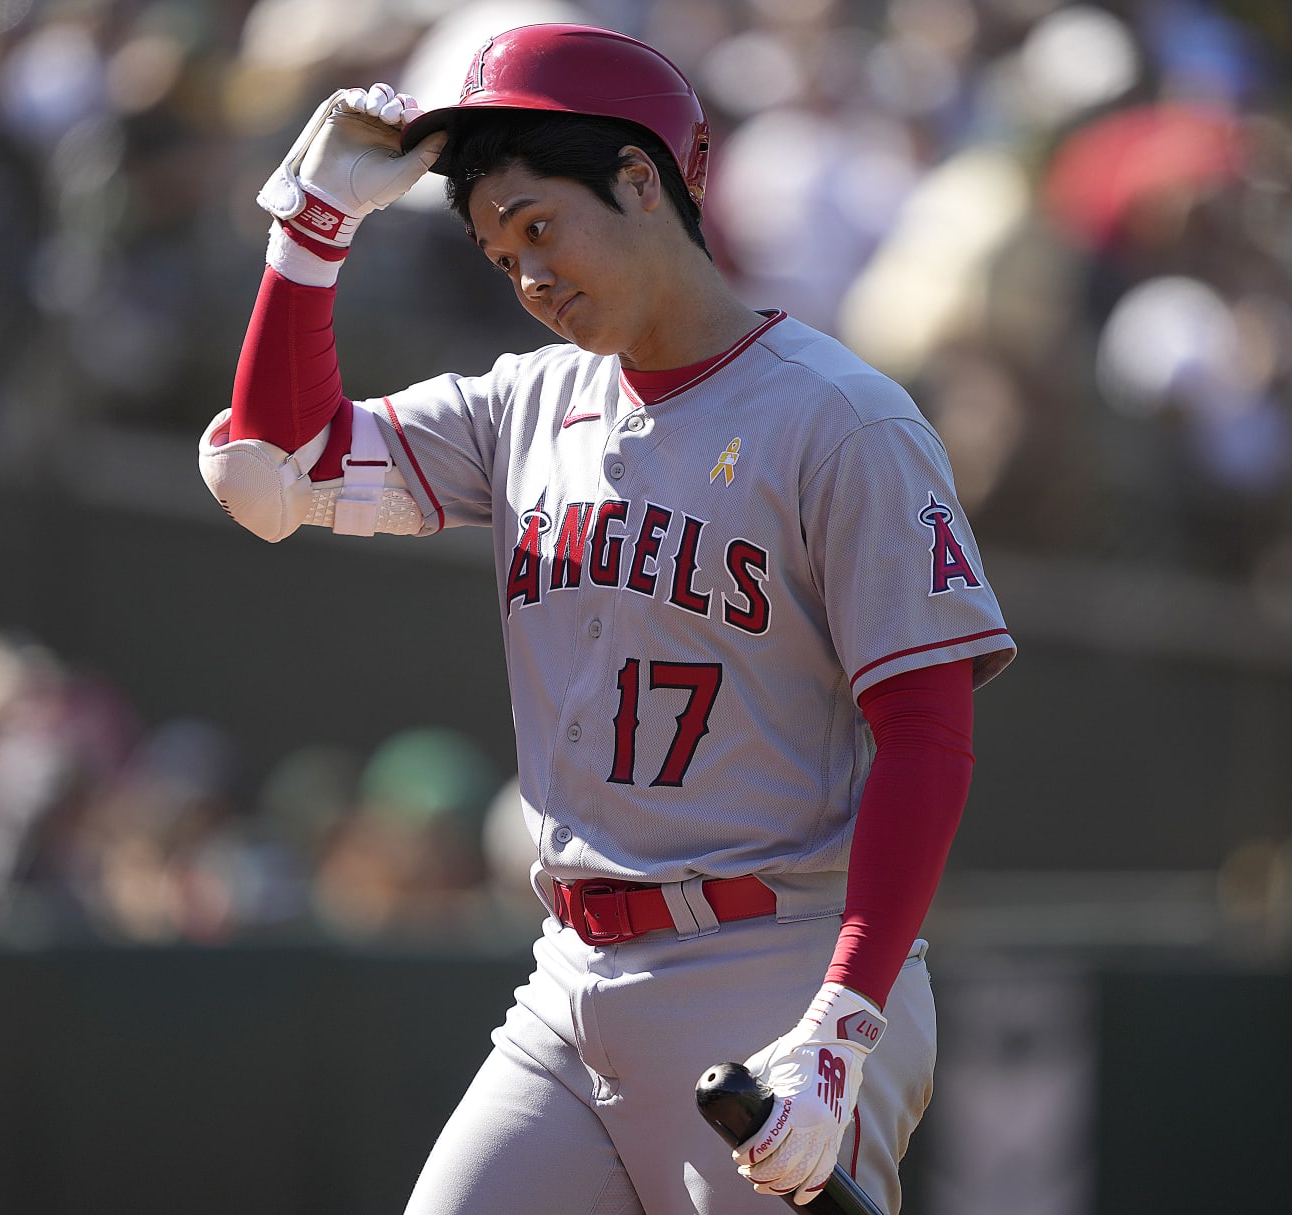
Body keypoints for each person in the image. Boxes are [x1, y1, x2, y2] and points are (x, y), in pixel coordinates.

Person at [197, 23, 1015, 1215]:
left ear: (644, 180)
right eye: (497, 253)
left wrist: (840, 1024)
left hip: (773, 968)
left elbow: (929, 738)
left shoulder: (844, 423)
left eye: (539, 226)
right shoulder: (527, 403)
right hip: (569, 975)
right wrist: (314, 226)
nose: (526, 275)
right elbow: (278, 463)